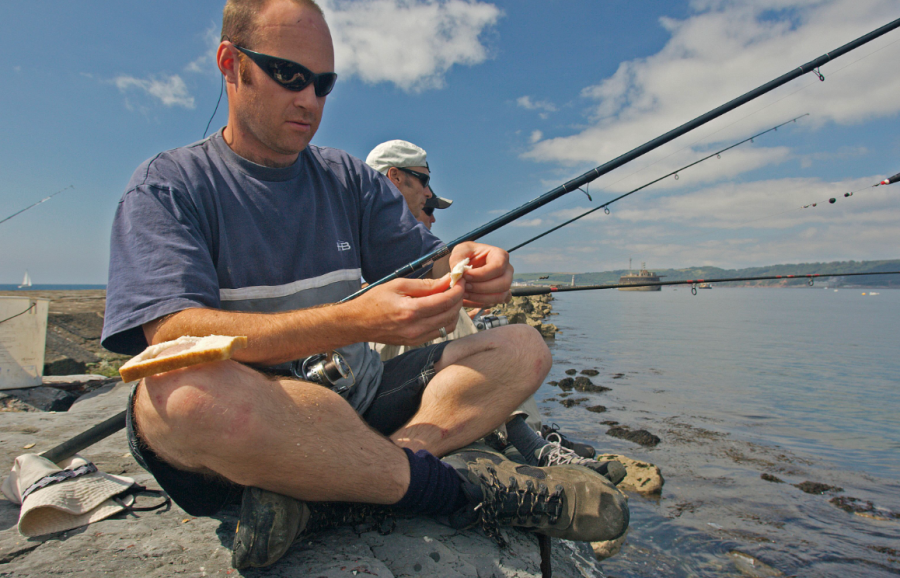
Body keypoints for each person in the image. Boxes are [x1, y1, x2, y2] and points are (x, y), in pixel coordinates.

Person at [101, 0, 628, 569]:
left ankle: (336, 497)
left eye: (324, 84)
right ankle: (457, 491)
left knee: (523, 348)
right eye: (289, 75)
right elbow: (173, 332)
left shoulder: (347, 177)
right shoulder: (167, 186)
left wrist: (470, 265)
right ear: (231, 63)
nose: (309, 99)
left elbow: (431, 264)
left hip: (360, 402)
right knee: (176, 399)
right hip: (256, 426)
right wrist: (351, 320)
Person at [365, 139, 625, 477]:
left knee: (519, 343)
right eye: (425, 183)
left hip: (383, 370)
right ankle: (522, 437)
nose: (429, 202)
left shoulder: (394, 239)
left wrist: (472, 264)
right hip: (360, 368)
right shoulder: (357, 223)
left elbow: (442, 266)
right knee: (448, 310)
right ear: (395, 177)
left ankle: (523, 433)